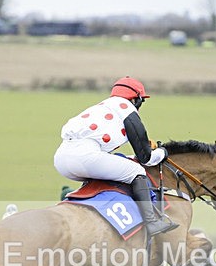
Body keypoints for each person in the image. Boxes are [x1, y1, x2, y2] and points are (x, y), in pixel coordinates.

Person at [53, 76, 176, 236]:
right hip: (85, 157)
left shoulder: (103, 106)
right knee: (136, 171)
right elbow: (146, 157)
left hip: (62, 158)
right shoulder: (126, 109)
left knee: (117, 168)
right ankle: (152, 222)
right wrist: (162, 153)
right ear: (136, 99)